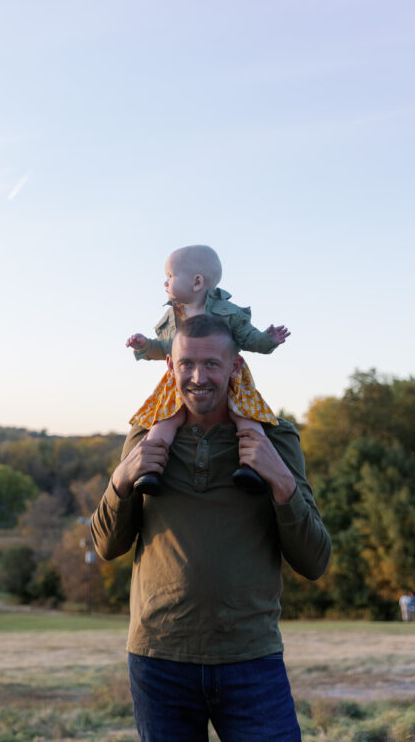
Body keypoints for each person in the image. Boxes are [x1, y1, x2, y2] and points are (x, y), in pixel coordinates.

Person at [92, 315, 331, 742]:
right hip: (158, 659)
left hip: (250, 659)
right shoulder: (146, 437)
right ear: (170, 367)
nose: (198, 377)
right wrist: (120, 482)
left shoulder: (276, 440)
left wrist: (281, 481)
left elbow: (314, 560)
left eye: (212, 364)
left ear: (236, 367)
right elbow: (107, 546)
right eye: (186, 364)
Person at [126, 245, 289, 494]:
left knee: (246, 417)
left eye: (170, 276)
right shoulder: (173, 318)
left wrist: (268, 340)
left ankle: (252, 466)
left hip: (229, 379)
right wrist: (146, 346)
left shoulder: (228, 313)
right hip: (178, 383)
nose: (165, 283)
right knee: (165, 420)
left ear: (197, 282)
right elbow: (165, 349)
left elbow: (249, 338)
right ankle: (150, 470)